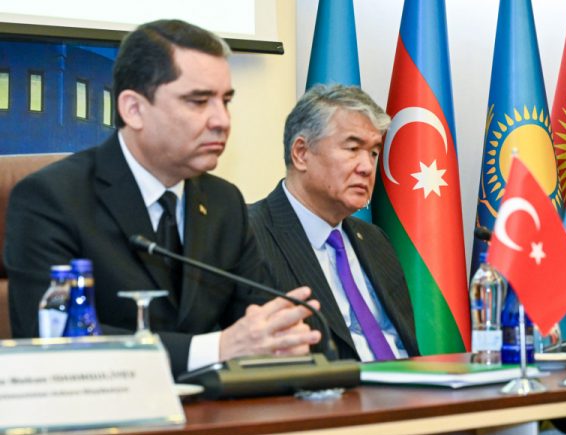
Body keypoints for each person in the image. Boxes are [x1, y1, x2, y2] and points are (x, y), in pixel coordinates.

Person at [4, 20, 320, 375]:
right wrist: (215, 348)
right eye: (198, 101)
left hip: (216, 404)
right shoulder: (51, 198)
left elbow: (260, 319)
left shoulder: (224, 203)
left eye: (225, 101)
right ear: (133, 109)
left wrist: (282, 336)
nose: (222, 120)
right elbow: (53, 337)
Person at [249, 84, 418, 362]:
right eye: (353, 148)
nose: (367, 167)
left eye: (373, 153)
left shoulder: (375, 240)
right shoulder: (249, 234)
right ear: (301, 153)